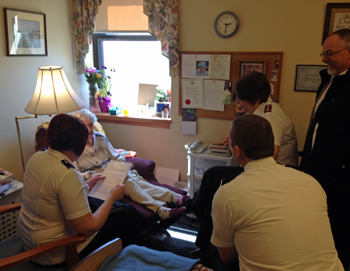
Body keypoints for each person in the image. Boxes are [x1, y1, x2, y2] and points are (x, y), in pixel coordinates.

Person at [211, 114, 343, 270]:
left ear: (237, 151)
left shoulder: (228, 194)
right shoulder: (311, 183)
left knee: (217, 254)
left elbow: (227, 257)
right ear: (271, 146)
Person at [190, 72, 298, 258]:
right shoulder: (264, 110)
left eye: (240, 99)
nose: (238, 103)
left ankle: (200, 229)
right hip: (266, 169)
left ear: (254, 99)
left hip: (274, 172)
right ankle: (199, 224)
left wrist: (239, 147)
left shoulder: (270, 116)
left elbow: (271, 154)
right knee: (213, 177)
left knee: (215, 179)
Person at [18, 114, 140, 266]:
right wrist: (112, 197)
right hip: (54, 252)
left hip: (28, 240)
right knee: (129, 213)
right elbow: (89, 228)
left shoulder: (37, 157)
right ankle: (126, 263)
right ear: (80, 145)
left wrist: (88, 183)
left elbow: (55, 193)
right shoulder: (67, 173)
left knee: (105, 207)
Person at [72, 109, 190, 228]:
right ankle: (161, 210)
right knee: (128, 184)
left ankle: (175, 198)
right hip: (98, 183)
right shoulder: (74, 147)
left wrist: (119, 170)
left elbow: (117, 157)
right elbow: (74, 174)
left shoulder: (100, 138)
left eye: (91, 125)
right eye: (84, 126)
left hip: (114, 174)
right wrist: (91, 176)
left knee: (134, 178)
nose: (89, 130)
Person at [300, 28, 350, 270]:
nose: (323, 58)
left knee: (338, 236)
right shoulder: (329, 80)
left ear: (349, 53)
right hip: (314, 173)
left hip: (340, 181)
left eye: (329, 53)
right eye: (323, 53)